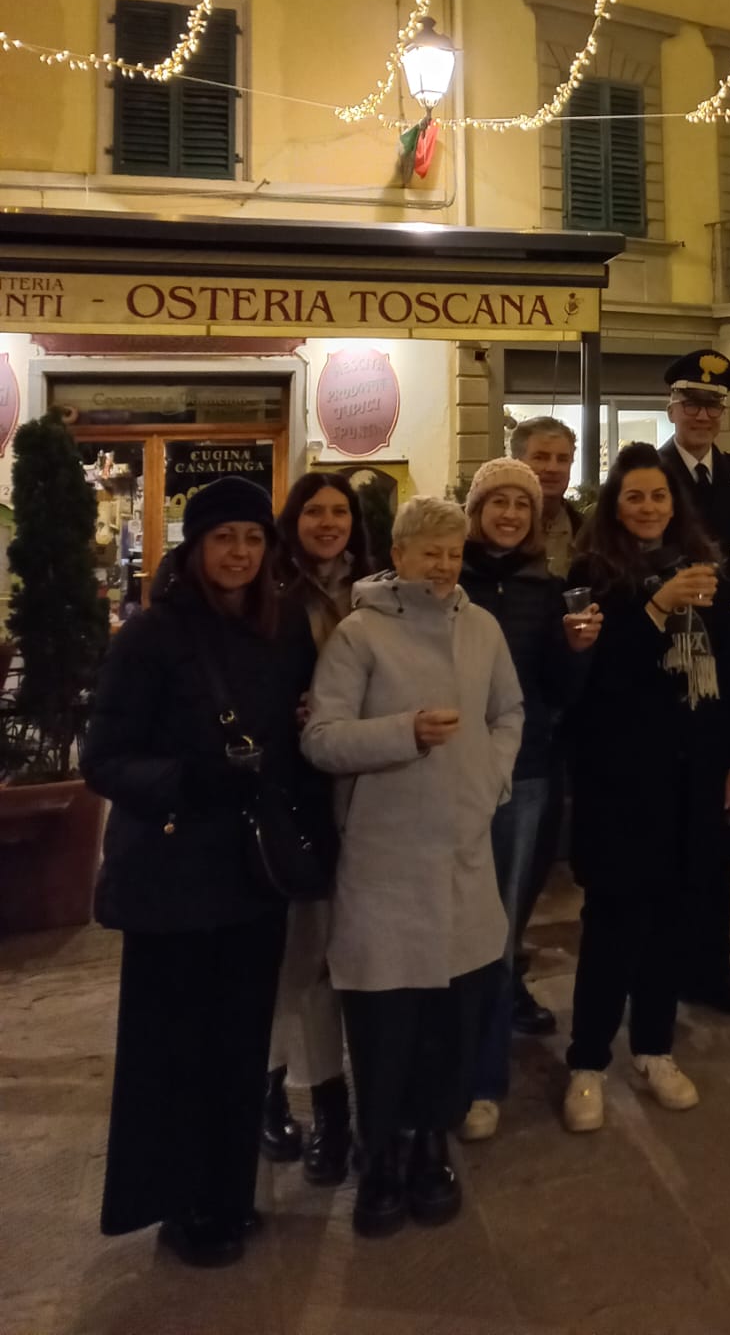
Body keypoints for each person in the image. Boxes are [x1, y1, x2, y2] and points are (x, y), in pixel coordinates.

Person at [81, 475, 317, 1268]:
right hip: (173, 874)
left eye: (253, 539)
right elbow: (104, 758)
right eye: (224, 539)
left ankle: (227, 1193)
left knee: (240, 1042)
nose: (241, 554)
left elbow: (295, 738)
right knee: (172, 1047)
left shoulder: (283, 632)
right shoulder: (150, 635)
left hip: (251, 872)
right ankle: (177, 1204)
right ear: (195, 548)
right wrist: (186, 780)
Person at [302, 496, 523, 1237]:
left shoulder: (482, 629)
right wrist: (405, 733)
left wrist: (488, 779)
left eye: (454, 551)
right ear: (396, 555)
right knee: (385, 1020)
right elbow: (323, 740)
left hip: (460, 852)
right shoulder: (360, 636)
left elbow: (508, 714)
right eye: (430, 551)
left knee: (451, 1014)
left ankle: (432, 1142)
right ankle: (381, 1151)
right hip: (386, 859)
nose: (444, 564)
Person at [560, 445, 730, 1132]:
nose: (648, 508)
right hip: (621, 773)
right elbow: (595, 683)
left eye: (660, 498)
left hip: (693, 768)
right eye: (635, 498)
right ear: (616, 507)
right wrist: (651, 611)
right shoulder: (593, 575)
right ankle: (586, 1061)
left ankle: (652, 1047)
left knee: (674, 912)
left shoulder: (703, 568)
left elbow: (725, 672)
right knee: (615, 917)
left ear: (677, 507)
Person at [458, 458, 601, 1140]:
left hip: (526, 772)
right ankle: (451, 1066)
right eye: (497, 502)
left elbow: (565, 696)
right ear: (475, 509)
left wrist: (577, 652)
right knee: (447, 927)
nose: (510, 514)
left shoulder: (548, 591)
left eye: (522, 504)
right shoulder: (445, 581)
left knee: (500, 927)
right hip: (446, 775)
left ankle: (484, 1082)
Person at [260, 473, 372, 1187]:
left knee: (339, 959)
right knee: (296, 959)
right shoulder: (274, 595)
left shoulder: (376, 589)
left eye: (340, 512)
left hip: (365, 790)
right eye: (315, 512)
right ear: (294, 522)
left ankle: (333, 1107)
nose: (328, 523)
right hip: (296, 791)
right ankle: (280, 1096)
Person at [657, 348, 730, 1019]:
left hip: (727, 672)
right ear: (671, 411)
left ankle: (713, 967)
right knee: (669, 836)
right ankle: (665, 968)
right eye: (689, 403)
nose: (701, 414)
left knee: (720, 833)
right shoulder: (648, 475)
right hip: (668, 670)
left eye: (711, 406)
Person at [512, 415, 582, 578]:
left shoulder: (587, 535)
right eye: (540, 457)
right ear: (516, 463)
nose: (552, 468)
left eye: (562, 459)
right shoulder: (493, 531)